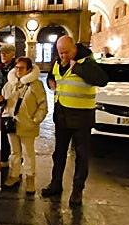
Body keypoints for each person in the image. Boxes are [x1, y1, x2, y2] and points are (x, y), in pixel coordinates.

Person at [42, 36, 108, 206]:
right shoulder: (59, 62)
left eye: (66, 52)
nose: (63, 56)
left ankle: (77, 190)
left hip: (81, 118)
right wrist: (52, 84)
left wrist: (77, 67)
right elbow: (52, 77)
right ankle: (56, 184)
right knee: (59, 153)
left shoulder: (87, 61)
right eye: (60, 52)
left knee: (81, 155)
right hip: (62, 116)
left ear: (75, 48)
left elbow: (102, 80)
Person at [0, 57, 48, 194]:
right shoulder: (10, 84)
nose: (18, 70)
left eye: (22, 68)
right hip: (12, 123)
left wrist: (35, 120)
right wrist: (0, 101)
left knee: (28, 152)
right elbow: (4, 101)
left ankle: (30, 178)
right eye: (17, 67)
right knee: (14, 151)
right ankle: (14, 175)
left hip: (27, 124)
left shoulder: (35, 85)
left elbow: (43, 105)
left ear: (29, 69)